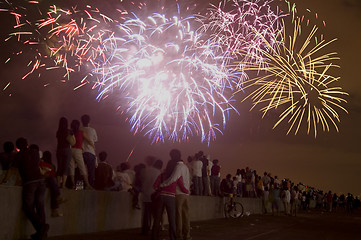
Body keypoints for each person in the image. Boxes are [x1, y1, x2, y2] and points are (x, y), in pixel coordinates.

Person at [13, 138, 49, 240]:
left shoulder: (19, 155)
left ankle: (41, 227)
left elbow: (14, 170)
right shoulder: (35, 152)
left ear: (18, 147)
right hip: (40, 181)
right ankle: (41, 233)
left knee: (28, 207)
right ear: (27, 144)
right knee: (40, 206)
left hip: (29, 182)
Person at [152, 159, 189, 240]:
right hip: (171, 197)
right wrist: (187, 191)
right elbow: (182, 187)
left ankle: (154, 236)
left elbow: (154, 186)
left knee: (157, 219)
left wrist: (160, 188)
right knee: (172, 220)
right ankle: (173, 237)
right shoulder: (175, 176)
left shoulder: (161, 175)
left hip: (161, 197)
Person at [159, 149, 191, 240]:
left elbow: (173, 178)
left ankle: (179, 235)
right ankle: (187, 235)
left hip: (178, 194)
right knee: (186, 216)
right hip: (186, 195)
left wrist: (163, 184)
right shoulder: (185, 167)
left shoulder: (178, 167)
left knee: (178, 216)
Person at [140, 157, 162, 236]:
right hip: (154, 196)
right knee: (156, 215)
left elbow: (141, 181)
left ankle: (145, 230)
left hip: (145, 195)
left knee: (146, 215)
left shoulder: (145, 171)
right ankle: (156, 231)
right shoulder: (158, 172)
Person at [40, 150, 66, 217]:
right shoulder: (50, 165)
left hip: (48, 182)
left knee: (53, 188)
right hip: (43, 181)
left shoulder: (42, 164)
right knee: (52, 183)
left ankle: (55, 209)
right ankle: (56, 208)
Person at [69, 119, 93, 189]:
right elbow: (89, 140)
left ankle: (72, 184)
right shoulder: (81, 132)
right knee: (82, 167)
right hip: (78, 150)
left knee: (71, 167)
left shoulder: (70, 132)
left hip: (70, 150)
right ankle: (87, 184)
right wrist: (93, 146)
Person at [80, 114, 98, 187]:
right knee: (91, 172)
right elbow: (95, 140)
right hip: (91, 152)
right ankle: (90, 187)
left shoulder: (79, 129)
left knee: (81, 171)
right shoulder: (92, 130)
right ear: (89, 121)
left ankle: (79, 187)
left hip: (81, 152)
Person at [55, 117, 72, 188]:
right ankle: (63, 184)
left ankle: (58, 183)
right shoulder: (68, 131)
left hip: (59, 149)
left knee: (59, 167)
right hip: (66, 149)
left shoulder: (58, 132)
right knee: (65, 167)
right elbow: (71, 141)